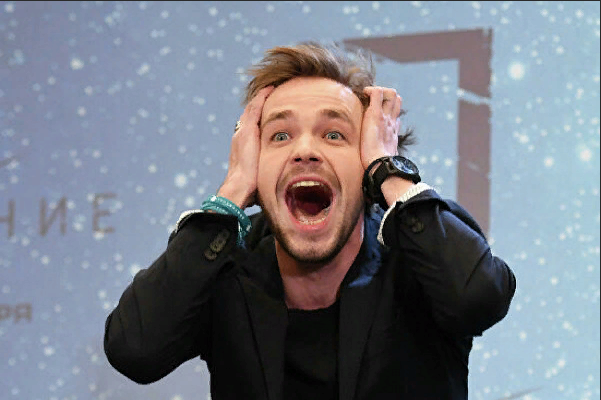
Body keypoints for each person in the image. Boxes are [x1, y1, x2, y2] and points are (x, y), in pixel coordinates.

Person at [104, 41, 516, 400]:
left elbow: (478, 300)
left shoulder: (421, 253)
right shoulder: (224, 267)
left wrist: (389, 171)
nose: (304, 150)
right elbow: (135, 350)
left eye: (334, 135)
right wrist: (231, 192)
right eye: (280, 136)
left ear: (367, 166)